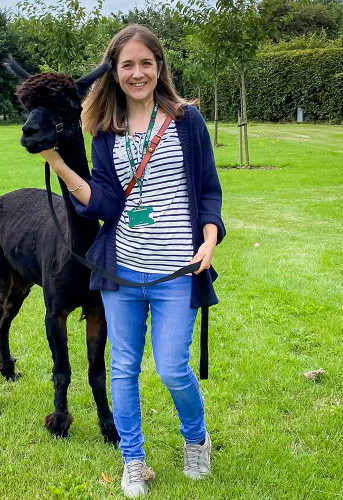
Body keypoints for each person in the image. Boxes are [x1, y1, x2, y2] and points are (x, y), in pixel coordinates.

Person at [40, 24, 225, 498]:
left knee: (171, 368)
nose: (137, 72)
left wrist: (208, 240)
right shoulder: (106, 129)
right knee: (122, 367)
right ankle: (133, 460)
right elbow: (103, 202)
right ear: (114, 72)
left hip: (176, 271)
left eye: (146, 62)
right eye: (127, 65)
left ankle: (195, 440)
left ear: (159, 66)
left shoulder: (186, 120)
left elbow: (207, 191)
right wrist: (59, 165)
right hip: (121, 270)